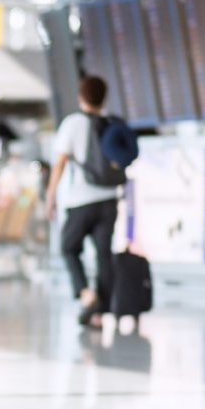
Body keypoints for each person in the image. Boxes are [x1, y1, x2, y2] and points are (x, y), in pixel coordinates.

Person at [45, 76, 121, 329]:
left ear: (81, 97)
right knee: (103, 255)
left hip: (80, 199)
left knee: (68, 248)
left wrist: (50, 195)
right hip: (109, 199)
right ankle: (100, 314)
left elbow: (60, 163)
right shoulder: (110, 123)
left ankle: (86, 295)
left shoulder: (73, 123)